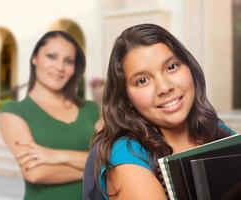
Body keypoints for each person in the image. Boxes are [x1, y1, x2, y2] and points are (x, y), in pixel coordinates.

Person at [83, 23, 237, 200]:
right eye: (142, 81)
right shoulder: (126, 154)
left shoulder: (215, 128)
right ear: (126, 98)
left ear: (190, 68)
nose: (164, 88)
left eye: (171, 67)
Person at [0, 30, 100, 200]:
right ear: (35, 59)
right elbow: (35, 173)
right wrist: (98, 168)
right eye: (51, 56)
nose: (59, 67)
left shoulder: (93, 109)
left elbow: (111, 158)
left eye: (68, 61)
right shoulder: (14, 111)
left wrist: (55, 155)